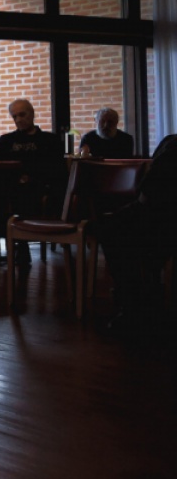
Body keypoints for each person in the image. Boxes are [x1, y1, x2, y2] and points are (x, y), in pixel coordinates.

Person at [93, 134, 175, 336]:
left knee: (114, 229)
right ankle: (145, 295)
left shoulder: (171, 146)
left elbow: (148, 190)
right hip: (158, 211)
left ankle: (134, 303)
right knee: (115, 228)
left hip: (159, 212)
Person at [0, 98, 65, 265]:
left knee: (23, 194)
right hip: (10, 186)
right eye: (14, 116)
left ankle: (20, 244)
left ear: (32, 114)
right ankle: (13, 243)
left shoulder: (49, 141)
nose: (18, 119)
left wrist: (31, 177)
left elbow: (57, 171)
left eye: (22, 114)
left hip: (39, 187)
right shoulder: (5, 141)